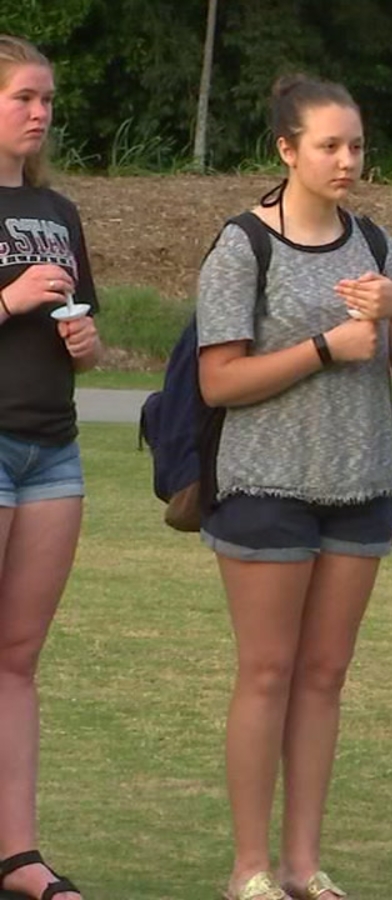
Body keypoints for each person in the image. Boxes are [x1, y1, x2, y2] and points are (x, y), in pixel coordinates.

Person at [195, 74, 392, 900]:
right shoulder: (241, 245)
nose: (347, 160)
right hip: (267, 485)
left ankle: (303, 864)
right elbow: (220, 382)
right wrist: (326, 348)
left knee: (326, 676)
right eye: (329, 145)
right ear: (286, 149)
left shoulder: (375, 240)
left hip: (362, 484)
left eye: (356, 145)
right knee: (267, 672)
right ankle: (249, 868)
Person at [0, 34, 101, 900]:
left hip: (53, 448)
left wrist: (87, 340)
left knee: (18, 656)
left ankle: (19, 854)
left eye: (47, 101)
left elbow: (85, 341)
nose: (39, 113)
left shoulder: (60, 210)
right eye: (24, 97)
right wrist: (6, 299)